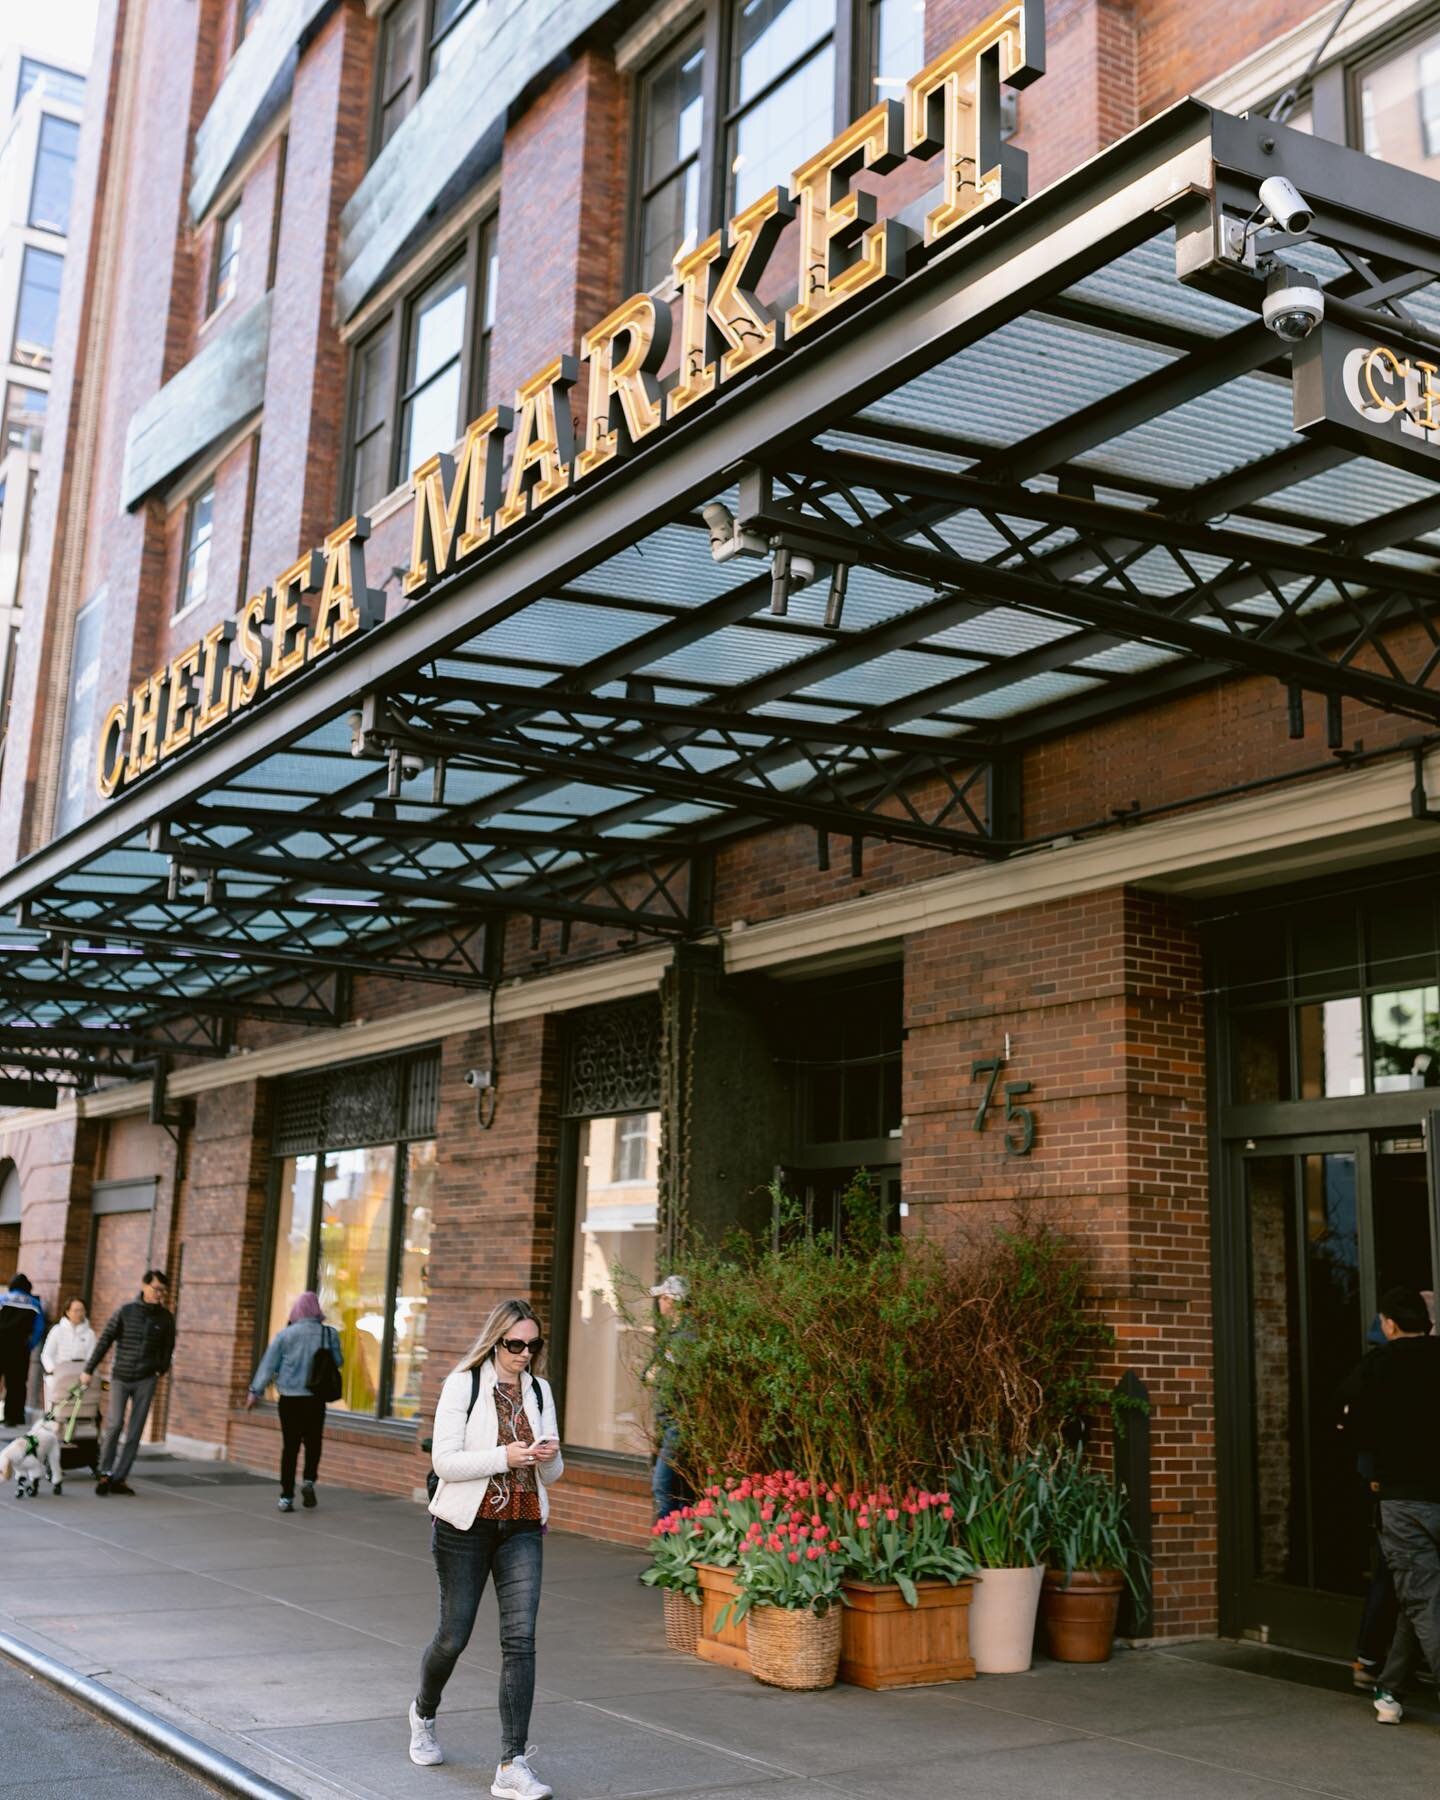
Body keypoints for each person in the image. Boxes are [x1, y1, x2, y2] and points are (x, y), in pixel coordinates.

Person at [411, 1298, 563, 1800]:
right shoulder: (465, 1383)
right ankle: (424, 1712)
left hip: (521, 1528)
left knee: (521, 1642)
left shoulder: (539, 1390)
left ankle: (511, 1764)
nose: (523, 1354)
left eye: (531, 1345)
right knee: (453, 1637)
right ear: (495, 1340)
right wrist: (506, 1455)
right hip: (466, 1528)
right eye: (514, 1344)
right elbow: (445, 1461)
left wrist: (546, 1457)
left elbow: (553, 1475)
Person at [1342, 1285, 1440, 1724]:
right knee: (1418, 1599)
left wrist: (1375, 1467)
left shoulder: (1377, 1366)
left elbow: (1348, 1421)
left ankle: (1387, 1685)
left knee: (1421, 1599)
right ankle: (1390, 1689)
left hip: (1404, 1500)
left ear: (1389, 1324)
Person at [245, 1291, 343, 1511]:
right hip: (316, 1399)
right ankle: (309, 1481)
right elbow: (338, 1361)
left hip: (290, 1400)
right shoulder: (330, 1334)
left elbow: (269, 1366)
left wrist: (255, 1392)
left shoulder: (285, 1335)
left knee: (290, 1447)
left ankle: (286, 1496)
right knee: (313, 1443)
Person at [81, 1269, 175, 1496]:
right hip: (120, 1377)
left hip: (146, 1379)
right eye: (155, 1289)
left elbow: (168, 1348)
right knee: (114, 1425)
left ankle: (120, 1478)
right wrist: (88, 1369)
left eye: (163, 1290)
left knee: (135, 1432)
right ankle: (104, 1474)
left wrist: (159, 1369)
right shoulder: (126, 1311)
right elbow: (105, 1340)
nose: (159, 1294)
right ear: (144, 1286)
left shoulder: (166, 1318)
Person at [646, 1274, 691, 1521]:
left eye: (663, 1298)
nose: (660, 1304)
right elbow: (648, 1374)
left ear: (673, 1301)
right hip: (666, 1422)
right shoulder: (670, 1336)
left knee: (662, 1484)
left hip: (678, 1423)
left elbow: (665, 1377)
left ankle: (666, 1540)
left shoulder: (686, 1337)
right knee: (674, 1487)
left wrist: (658, 1372)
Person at [0, 1274, 45, 1428]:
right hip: (19, 1348)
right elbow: (39, 1328)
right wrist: (29, 1345)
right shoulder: (34, 1303)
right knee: (17, 1384)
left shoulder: (2, 1299)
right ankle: (13, 1418)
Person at [41, 1297, 97, 1412]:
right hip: (58, 1377)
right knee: (56, 1413)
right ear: (67, 1312)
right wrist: (53, 1370)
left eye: (82, 1310)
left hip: (81, 1378)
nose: (79, 1313)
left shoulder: (90, 1334)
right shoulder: (57, 1330)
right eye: (76, 1310)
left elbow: (92, 1358)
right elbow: (46, 1355)